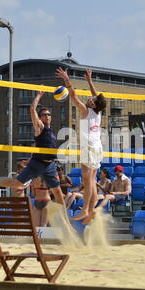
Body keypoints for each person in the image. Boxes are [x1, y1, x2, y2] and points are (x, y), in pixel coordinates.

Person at [0, 91, 67, 212]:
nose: (47, 116)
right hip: (38, 163)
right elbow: (32, 109)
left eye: (48, 114)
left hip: (50, 164)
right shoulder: (40, 128)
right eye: (44, 115)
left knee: (58, 192)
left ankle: (67, 222)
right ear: (40, 117)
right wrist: (38, 95)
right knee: (17, 184)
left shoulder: (51, 131)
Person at [56, 67, 107, 223]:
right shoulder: (98, 111)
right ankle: (90, 210)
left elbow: (73, 95)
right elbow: (96, 96)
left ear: (92, 105)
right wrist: (89, 80)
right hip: (97, 147)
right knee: (91, 181)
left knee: (88, 181)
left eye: (91, 100)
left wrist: (66, 80)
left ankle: (86, 209)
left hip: (89, 147)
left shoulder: (86, 110)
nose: (89, 99)